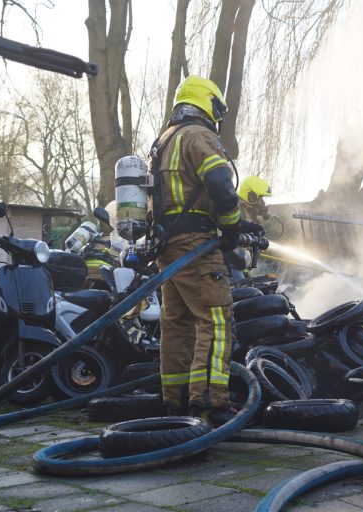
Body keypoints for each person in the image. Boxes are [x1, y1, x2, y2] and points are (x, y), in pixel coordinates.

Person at [149, 75, 263, 424]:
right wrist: (232, 226)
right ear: (208, 103)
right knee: (216, 321)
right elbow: (218, 182)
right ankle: (210, 401)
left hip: (168, 246)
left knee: (177, 325)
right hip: (196, 245)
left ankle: (176, 401)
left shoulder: (164, 140)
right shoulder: (197, 135)